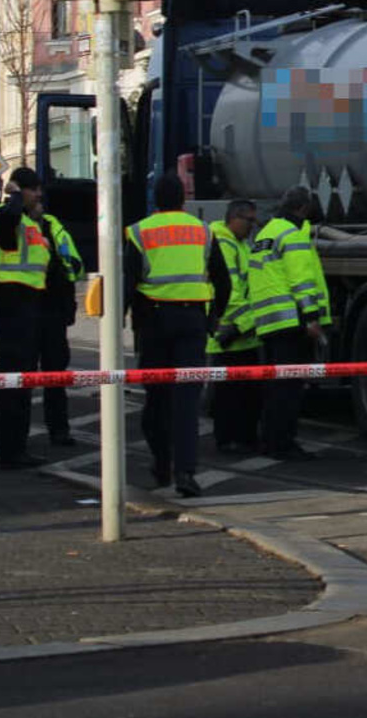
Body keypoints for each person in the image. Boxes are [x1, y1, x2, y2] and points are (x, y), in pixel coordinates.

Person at [125, 172, 229, 498]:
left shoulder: (140, 232)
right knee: (186, 402)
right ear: (183, 198)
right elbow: (223, 281)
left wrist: (125, 323)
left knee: (156, 399)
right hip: (193, 322)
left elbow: (127, 283)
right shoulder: (202, 231)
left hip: (155, 323)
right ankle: (186, 472)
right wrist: (214, 318)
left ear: (155, 199)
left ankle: (161, 463)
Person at [248, 185, 331, 460]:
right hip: (291, 322)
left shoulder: (265, 233)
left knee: (274, 387)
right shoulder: (292, 236)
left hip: (269, 323)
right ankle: (283, 443)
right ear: (302, 209)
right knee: (290, 388)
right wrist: (311, 318)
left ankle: (270, 440)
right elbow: (301, 281)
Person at [0, 168, 50, 470]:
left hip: (26, 302)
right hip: (10, 300)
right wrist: (12, 194)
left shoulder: (28, 223)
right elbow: (8, 228)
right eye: (33, 190)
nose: (38, 195)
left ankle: (16, 447)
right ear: (19, 190)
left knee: (23, 378)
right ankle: (8, 451)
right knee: (14, 378)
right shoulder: (2, 215)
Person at [206, 199, 262, 455]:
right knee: (231, 394)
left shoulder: (237, 244)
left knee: (245, 393)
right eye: (249, 220)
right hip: (230, 334)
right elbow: (230, 293)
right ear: (234, 218)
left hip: (241, 333)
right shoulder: (225, 244)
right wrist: (242, 324)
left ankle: (240, 438)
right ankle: (229, 440)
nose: (253, 225)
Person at [30, 201, 84, 447]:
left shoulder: (54, 226)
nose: (39, 204)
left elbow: (75, 263)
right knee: (22, 376)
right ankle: (17, 438)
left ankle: (59, 429)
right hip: (25, 309)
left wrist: (63, 265)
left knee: (55, 375)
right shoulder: (14, 225)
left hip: (53, 309)